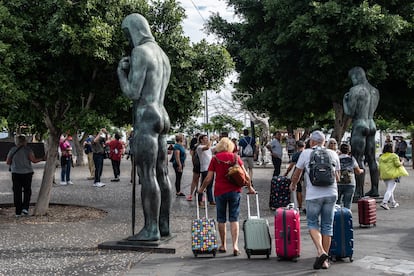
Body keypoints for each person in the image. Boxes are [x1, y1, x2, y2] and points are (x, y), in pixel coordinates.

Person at [117, 13, 173, 241]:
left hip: (146, 116)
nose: (128, 40)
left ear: (134, 30)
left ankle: (151, 229)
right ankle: (164, 225)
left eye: (127, 34)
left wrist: (121, 72)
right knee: (162, 172)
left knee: (147, 174)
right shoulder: (162, 55)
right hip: (162, 114)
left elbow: (132, 92)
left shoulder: (140, 52)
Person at [289, 130, 340, 270]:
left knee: (312, 223)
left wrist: (293, 185)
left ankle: (320, 251)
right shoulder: (333, 153)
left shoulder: (306, 153)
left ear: (311, 141)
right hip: (331, 193)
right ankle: (324, 261)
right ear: (324, 142)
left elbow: (297, 173)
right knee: (327, 226)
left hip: (313, 195)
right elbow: (337, 177)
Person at [198, 137, 256, 256]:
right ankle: (235, 245)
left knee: (221, 218)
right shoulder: (235, 157)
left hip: (220, 191)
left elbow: (208, 178)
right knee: (234, 218)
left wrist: (201, 189)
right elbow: (246, 175)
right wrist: (250, 187)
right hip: (235, 191)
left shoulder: (215, 159)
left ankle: (223, 245)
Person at [343, 66, 380, 198]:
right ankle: (375, 189)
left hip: (359, 124)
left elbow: (350, 112)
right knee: (372, 159)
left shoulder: (355, 90)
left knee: (357, 159)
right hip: (371, 123)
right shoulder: (375, 91)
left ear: (356, 76)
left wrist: (345, 100)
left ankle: (359, 192)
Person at [6, 135, 44, 217]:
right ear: (25, 141)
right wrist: (43, 158)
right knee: (27, 191)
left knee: (17, 192)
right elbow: (34, 160)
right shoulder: (28, 150)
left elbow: (8, 162)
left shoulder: (13, 150)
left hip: (15, 173)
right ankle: (25, 208)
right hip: (27, 173)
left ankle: (18, 212)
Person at [378, 144, 408, 210]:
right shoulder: (394, 156)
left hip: (384, 175)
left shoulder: (381, 157)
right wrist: (402, 162)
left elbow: (379, 167)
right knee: (390, 190)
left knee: (389, 190)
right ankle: (384, 203)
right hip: (392, 175)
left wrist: (379, 175)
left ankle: (393, 203)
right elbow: (397, 165)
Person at [337, 143, 364, 209]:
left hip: (338, 182)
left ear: (340, 150)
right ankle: (347, 218)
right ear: (349, 150)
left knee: (337, 203)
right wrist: (362, 170)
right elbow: (357, 171)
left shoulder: (337, 158)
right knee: (347, 203)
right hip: (350, 183)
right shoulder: (352, 159)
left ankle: (337, 218)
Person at [284, 140, 305, 212]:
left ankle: (299, 206)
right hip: (307, 173)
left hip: (298, 173)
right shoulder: (307, 153)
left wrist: (286, 173)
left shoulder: (296, 154)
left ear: (297, 146)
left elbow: (291, 166)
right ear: (304, 146)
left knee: (298, 190)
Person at [196, 134, 215, 206]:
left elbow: (214, 148)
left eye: (207, 138)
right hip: (205, 169)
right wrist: (212, 140)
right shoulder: (200, 147)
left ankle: (211, 200)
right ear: (201, 140)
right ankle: (200, 200)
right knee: (203, 185)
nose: (207, 140)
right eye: (205, 138)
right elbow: (207, 147)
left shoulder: (208, 147)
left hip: (211, 168)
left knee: (210, 185)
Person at [187, 133, 201, 201]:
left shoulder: (205, 146)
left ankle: (199, 193)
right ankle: (191, 194)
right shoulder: (196, 146)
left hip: (203, 165)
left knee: (201, 180)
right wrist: (194, 163)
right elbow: (192, 154)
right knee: (195, 179)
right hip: (197, 165)